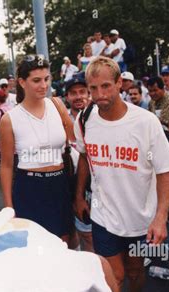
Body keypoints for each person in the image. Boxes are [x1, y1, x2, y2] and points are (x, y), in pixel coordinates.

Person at [73, 56, 169, 292]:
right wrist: (79, 196)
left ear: (120, 83)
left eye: (106, 86)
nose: (99, 94)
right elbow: (85, 157)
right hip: (104, 216)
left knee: (134, 273)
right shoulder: (84, 120)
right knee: (113, 277)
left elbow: (165, 171)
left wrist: (160, 217)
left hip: (140, 217)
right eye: (93, 88)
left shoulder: (145, 122)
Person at [0, 55, 75, 243]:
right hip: (29, 188)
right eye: (36, 80)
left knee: (63, 244)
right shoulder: (9, 119)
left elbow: (74, 143)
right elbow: (7, 165)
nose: (43, 85)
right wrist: (9, 207)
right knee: (33, 246)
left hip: (60, 184)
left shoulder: (58, 105)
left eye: (46, 79)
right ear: (22, 82)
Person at [64, 74, 94, 252]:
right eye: (73, 93)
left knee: (88, 234)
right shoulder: (59, 120)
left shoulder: (97, 116)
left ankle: (95, 274)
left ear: (88, 93)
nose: (78, 96)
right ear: (67, 97)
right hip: (65, 183)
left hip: (90, 186)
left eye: (82, 91)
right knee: (69, 232)